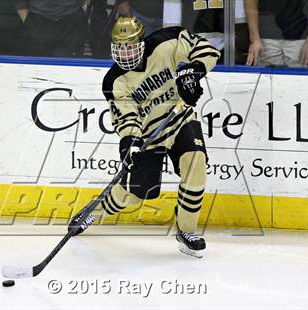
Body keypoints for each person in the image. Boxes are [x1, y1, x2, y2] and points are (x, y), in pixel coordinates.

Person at [71, 17, 221, 258]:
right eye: (120, 47)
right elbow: (126, 118)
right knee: (133, 196)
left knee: (196, 167)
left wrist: (193, 71)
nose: (125, 52)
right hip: (150, 136)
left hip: (180, 119)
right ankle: (94, 211)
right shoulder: (114, 80)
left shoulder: (167, 42)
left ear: (141, 42)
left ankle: (187, 231)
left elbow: (207, 49)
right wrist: (131, 142)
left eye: (130, 45)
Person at [245, 0, 308, 67]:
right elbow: (250, 4)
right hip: (266, 38)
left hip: (302, 39)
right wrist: (255, 39)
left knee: (302, 79)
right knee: (264, 80)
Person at [14, 0, 90, 57]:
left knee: (69, 70)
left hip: (72, 20)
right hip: (37, 20)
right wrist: (25, 17)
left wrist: (85, 6)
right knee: (37, 71)